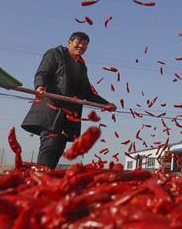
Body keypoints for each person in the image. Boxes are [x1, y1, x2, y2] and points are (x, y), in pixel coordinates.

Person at [21, 32, 116, 168]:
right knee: (50, 145)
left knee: (58, 147)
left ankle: (47, 178)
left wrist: (106, 104)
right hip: (51, 110)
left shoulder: (81, 66)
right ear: (69, 42)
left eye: (85, 44)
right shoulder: (55, 54)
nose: (81, 46)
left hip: (68, 116)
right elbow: (43, 72)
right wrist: (40, 86)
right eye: (79, 42)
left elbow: (87, 92)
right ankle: (40, 179)